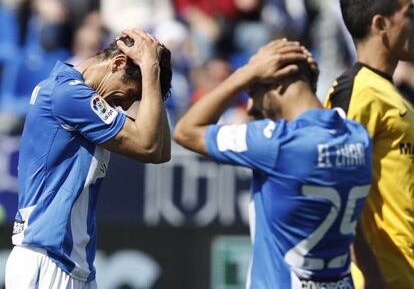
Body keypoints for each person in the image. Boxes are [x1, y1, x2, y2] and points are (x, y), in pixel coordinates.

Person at [174, 39, 373, 288]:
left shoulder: (277, 143)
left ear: (278, 84)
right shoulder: (358, 137)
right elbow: (359, 236)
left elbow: (185, 130)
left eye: (253, 90)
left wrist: (242, 74)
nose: (249, 106)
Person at [5, 29, 172, 288]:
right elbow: (149, 146)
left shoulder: (77, 98)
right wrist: (149, 69)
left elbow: (161, 151)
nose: (127, 106)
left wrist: (154, 78)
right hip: (47, 259)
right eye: (132, 93)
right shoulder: (68, 95)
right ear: (117, 64)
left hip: (73, 264)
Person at [324, 0, 414, 288]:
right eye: (410, 14)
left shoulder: (394, 93)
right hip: (381, 279)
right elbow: (332, 190)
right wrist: (370, 276)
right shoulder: (355, 91)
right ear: (381, 24)